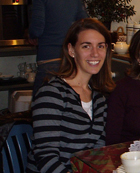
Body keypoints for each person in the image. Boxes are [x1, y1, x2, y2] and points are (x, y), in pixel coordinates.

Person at [26, 18, 115, 173]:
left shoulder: (100, 98)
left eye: (100, 46)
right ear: (72, 50)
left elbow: (96, 153)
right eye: (86, 46)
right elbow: (45, 156)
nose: (95, 53)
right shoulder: (52, 93)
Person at [29, 0, 87, 97]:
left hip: (48, 59)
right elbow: (85, 24)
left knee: (42, 104)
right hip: (70, 61)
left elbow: (37, 26)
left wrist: (30, 35)